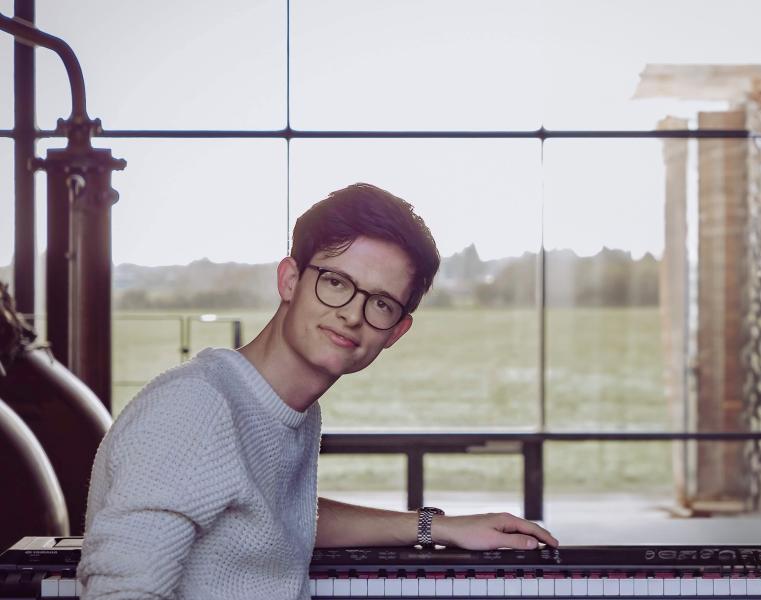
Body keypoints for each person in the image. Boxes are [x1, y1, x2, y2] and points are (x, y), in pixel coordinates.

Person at [77, 183, 558, 600]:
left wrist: (439, 527)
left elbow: (272, 516)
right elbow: (119, 592)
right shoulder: (194, 409)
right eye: (336, 282)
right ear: (289, 280)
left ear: (396, 332)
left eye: (381, 303)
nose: (351, 314)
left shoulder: (284, 410)